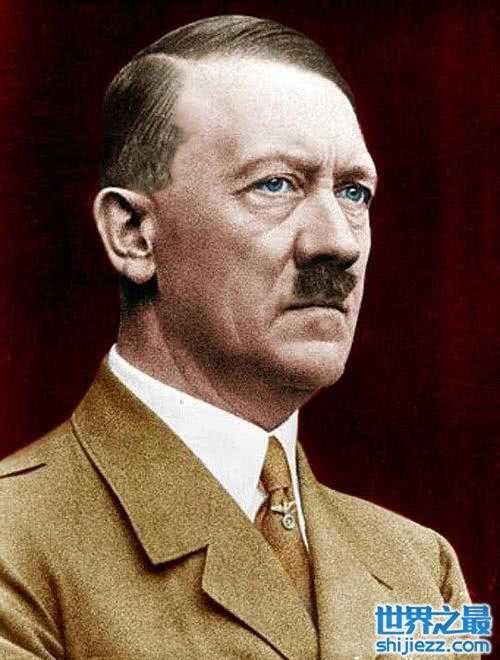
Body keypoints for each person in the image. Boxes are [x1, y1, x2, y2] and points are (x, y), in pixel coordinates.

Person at [0, 15, 474, 659]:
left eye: (354, 192)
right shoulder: (16, 544)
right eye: (274, 185)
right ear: (133, 234)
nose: (338, 242)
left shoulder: (422, 570)